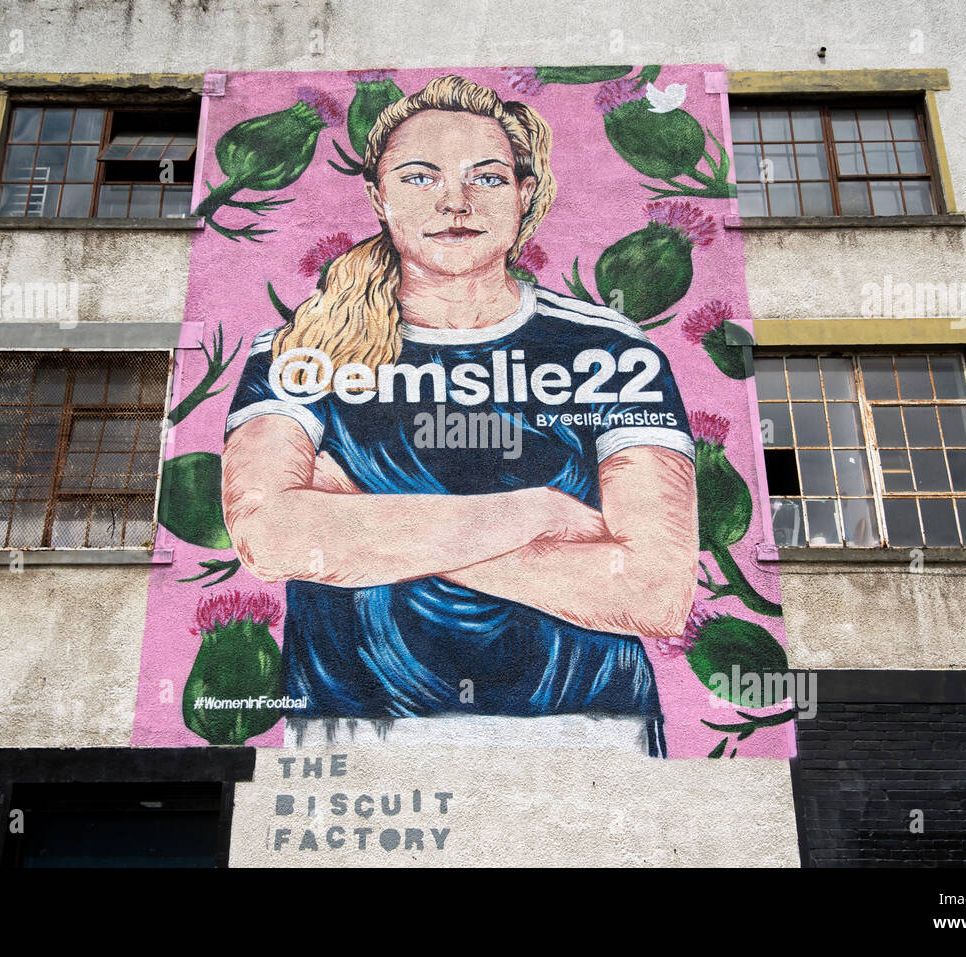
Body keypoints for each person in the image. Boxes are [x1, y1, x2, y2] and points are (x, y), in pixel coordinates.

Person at [221, 75, 698, 756]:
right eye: (419, 177)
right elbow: (271, 535)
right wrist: (536, 512)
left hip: (588, 737)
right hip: (353, 738)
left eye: (488, 178)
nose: (454, 201)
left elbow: (655, 590)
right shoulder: (300, 349)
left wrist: (363, 515)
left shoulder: (610, 351)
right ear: (377, 196)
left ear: (524, 195)